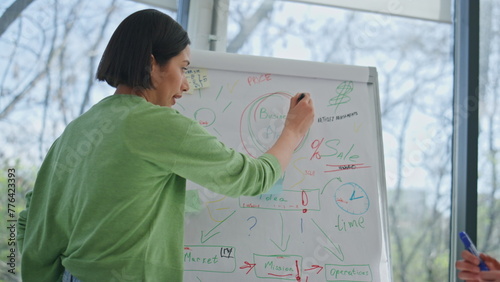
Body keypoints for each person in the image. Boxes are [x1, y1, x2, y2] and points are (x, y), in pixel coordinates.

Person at [16, 9, 314, 282]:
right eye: (183, 68)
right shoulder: (156, 123)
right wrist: (292, 131)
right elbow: (251, 178)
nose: (186, 84)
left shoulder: (78, 129)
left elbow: (33, 217)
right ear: (152, 64)